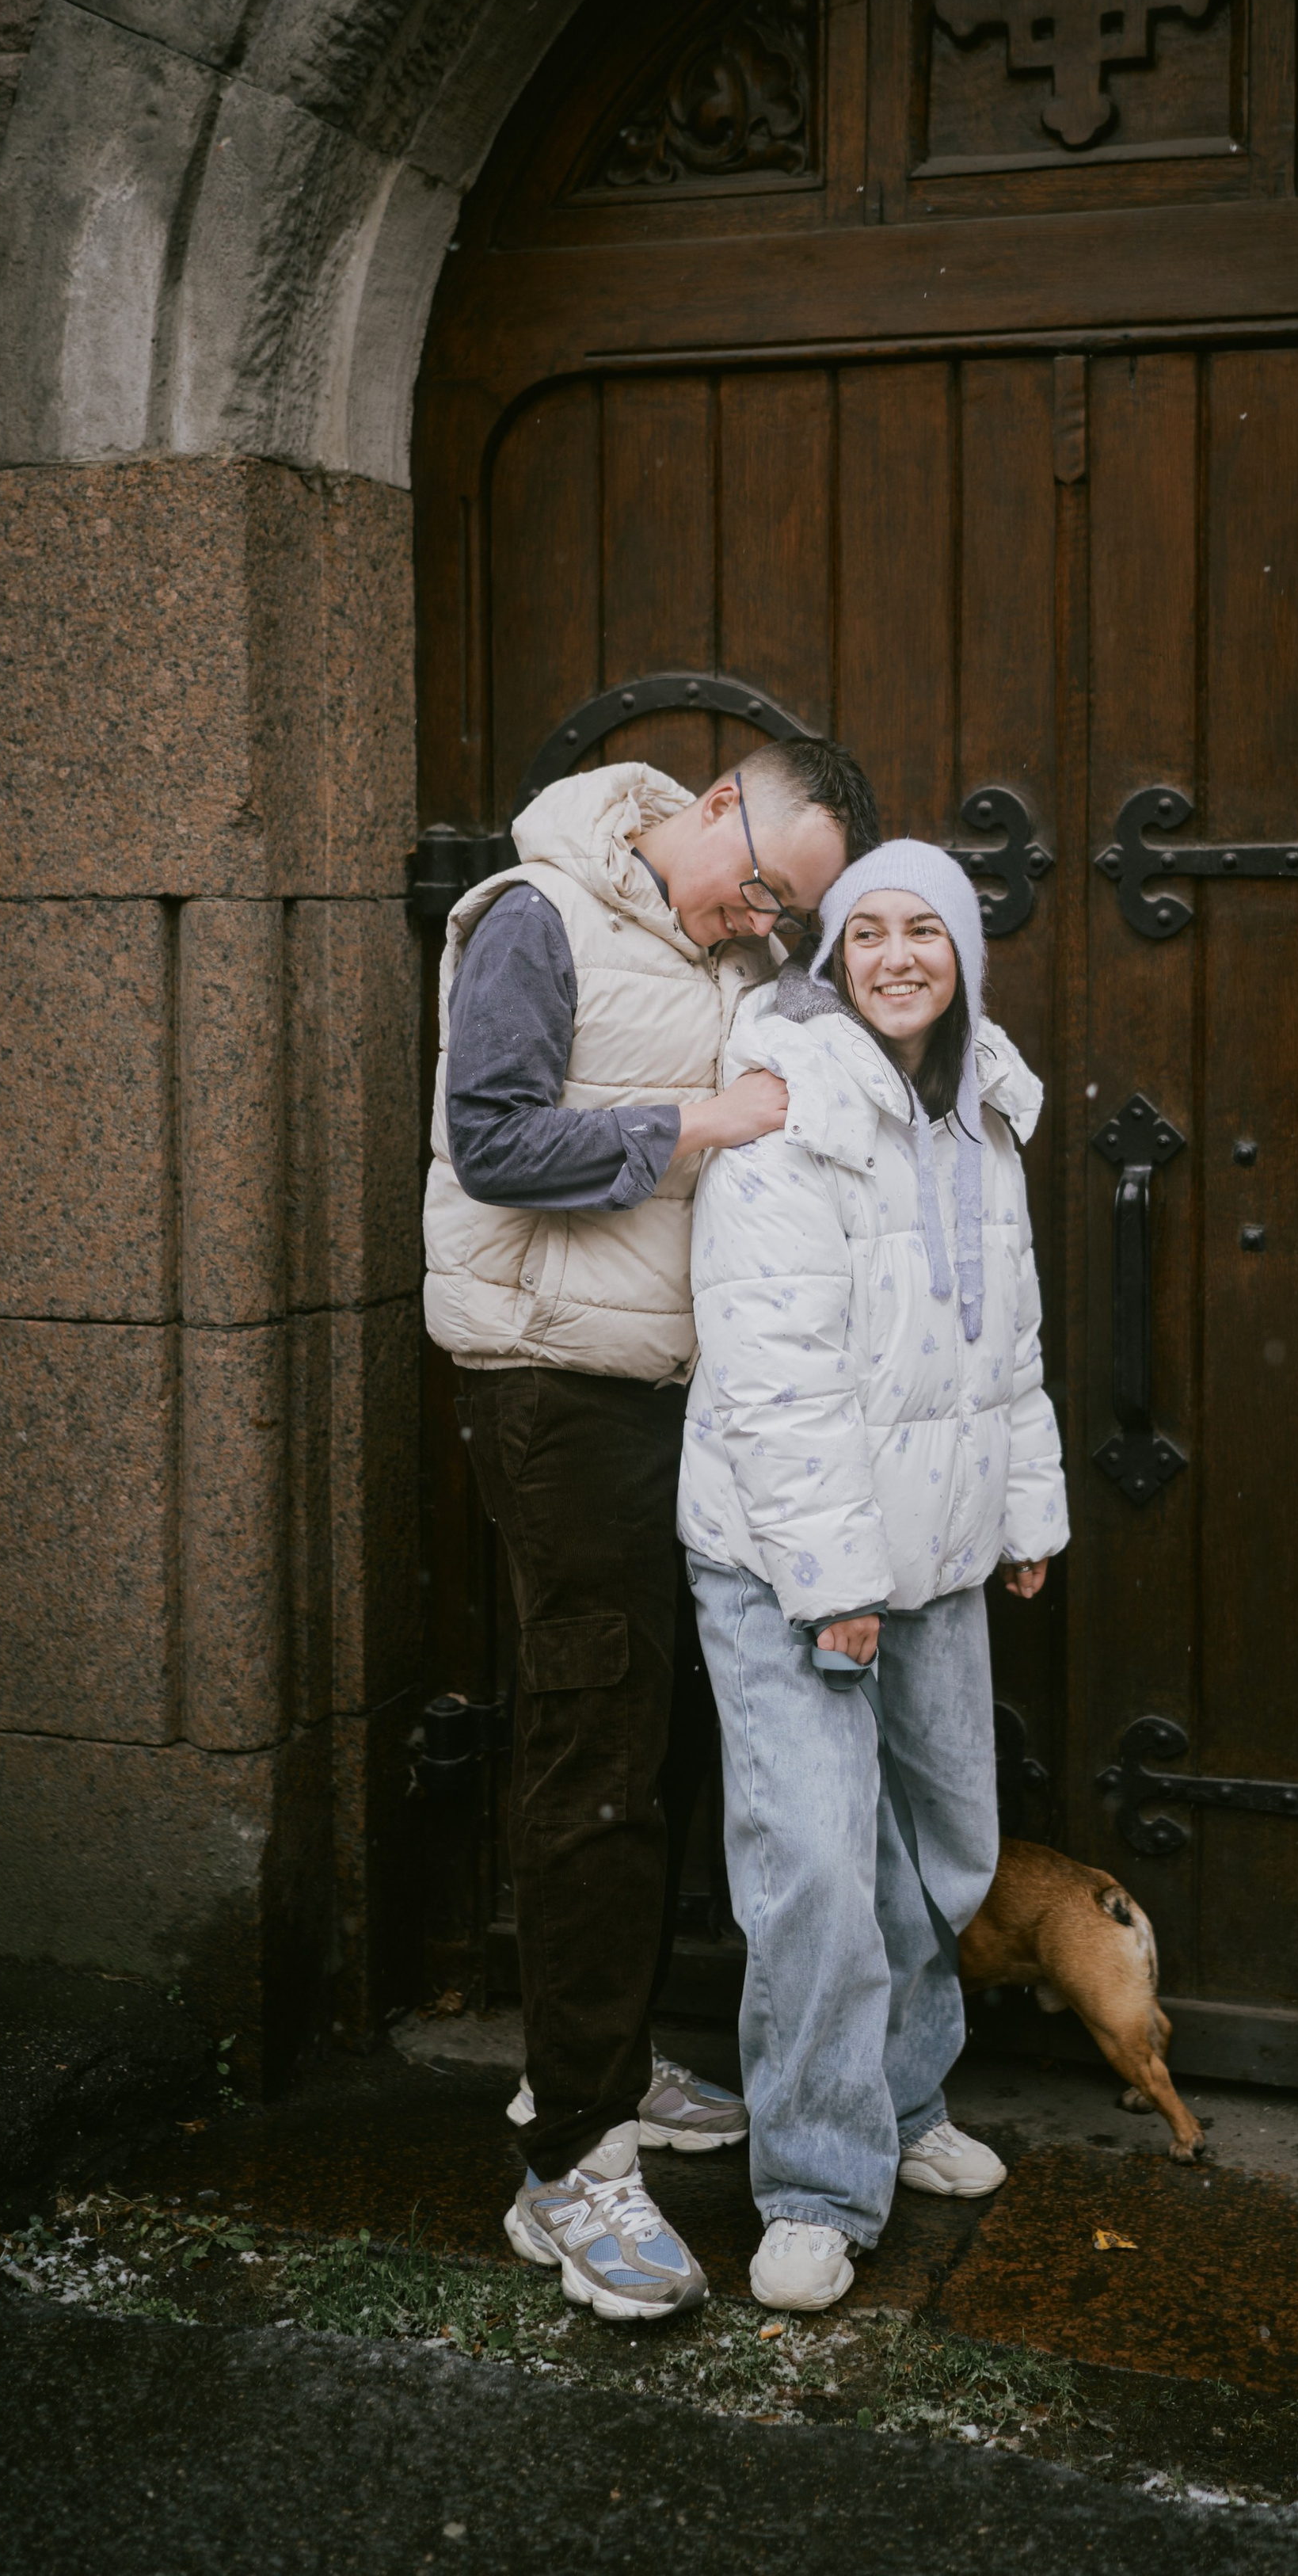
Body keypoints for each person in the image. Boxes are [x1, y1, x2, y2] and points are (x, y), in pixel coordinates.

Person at [424, 737, 881, 2323]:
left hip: (680, 1395)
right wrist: (699, 1120)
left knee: (660, 1736)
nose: (763, 916)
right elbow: (490, 1143)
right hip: (555, 1389)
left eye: (787, 906)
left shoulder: (726, 949)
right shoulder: (532, 918)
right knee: (596, 1749)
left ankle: (599, 2055)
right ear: (705, 806)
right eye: (758, 879)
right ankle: (569, 2169)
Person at [676, 840, 1070, 2311]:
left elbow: (1005, 1339)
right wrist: (832, 1574)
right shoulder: (793, 1113)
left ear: (965, 954)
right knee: (820, 1873)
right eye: (869, 932)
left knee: (942, 1853)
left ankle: (902, 2104)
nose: (899, 955)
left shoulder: (980, 1110)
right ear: (832, 955)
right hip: (790, 1559)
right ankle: (817, 2184)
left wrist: (1020, 1515)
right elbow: (772, 1373)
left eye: (930, 931)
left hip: (936, 1553)